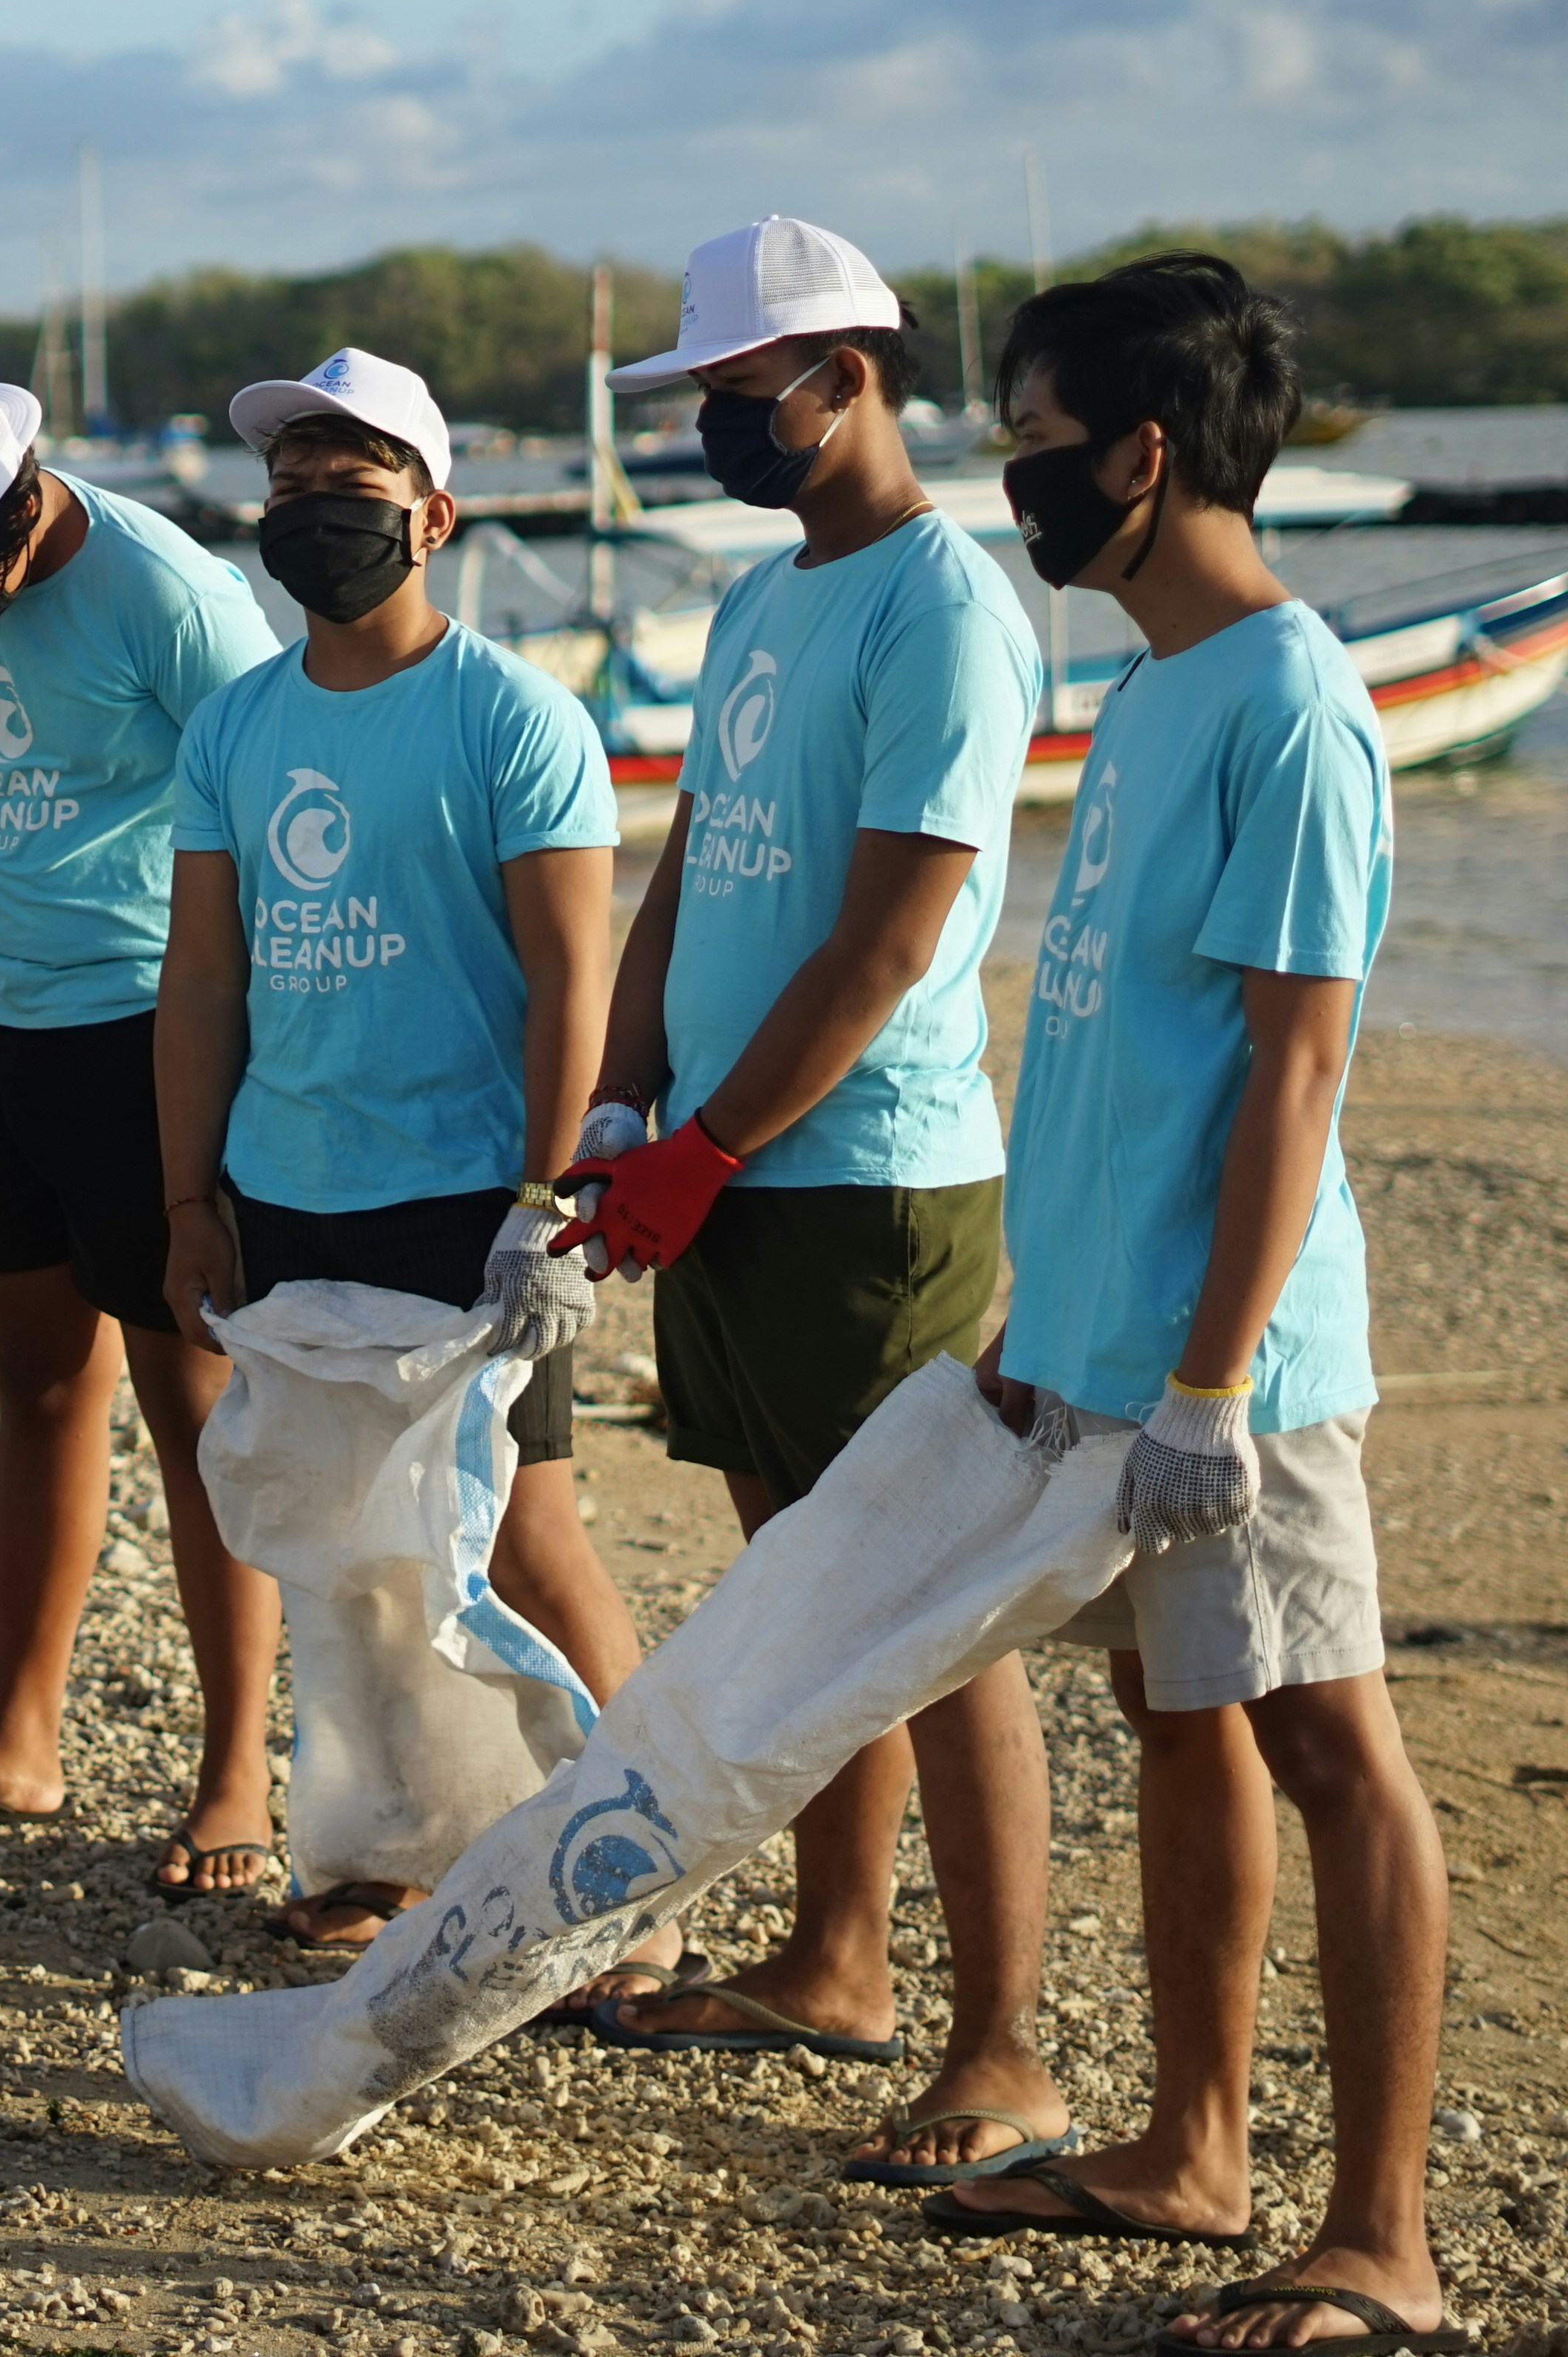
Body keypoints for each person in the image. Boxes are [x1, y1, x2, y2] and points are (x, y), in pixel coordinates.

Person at [922, 253, 1450, 2357]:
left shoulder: (1292, 702)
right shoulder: (1154, 687)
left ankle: (1384, 2240)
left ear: (1147, 453)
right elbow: (1117, 1041)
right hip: (1114, 1331)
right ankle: (1193, 2147)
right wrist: (1045, 1314)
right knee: (1173, 1716)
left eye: (1039, 443)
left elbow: (1298, 1070)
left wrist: (1215, 1378)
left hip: (1242, 1361)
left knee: (1331, 1739)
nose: (1019, 480)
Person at [554, 219, 1072, 2183]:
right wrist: (625, 1100)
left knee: (933, 1610)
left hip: (867, 1178)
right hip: (724, 1159)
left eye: (734, 392)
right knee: (803, 1581)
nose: (711, 426)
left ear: (846, 378)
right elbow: (693, 861)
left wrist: (712, 1144)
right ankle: (835, 1957)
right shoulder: (767, 599)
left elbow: (892, 933)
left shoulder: (944, 606)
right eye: (697, 397)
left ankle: (1004, 2046)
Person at [152, 347, 659, 1973]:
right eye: (290, 479)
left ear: (433, 514)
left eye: (351, 478)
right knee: (353, 1554)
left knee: (522, 1537)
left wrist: (545, 1204)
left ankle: (643, 1872)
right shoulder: (236, 724)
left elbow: (573, 978)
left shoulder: (512, 714)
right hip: (288, 1189)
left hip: (469, 1197)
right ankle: (392, 1849)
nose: (313, 504)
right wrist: (188, 1196)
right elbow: (204, 976)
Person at [0, 363, 288, 1892]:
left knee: (196, 1407)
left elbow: (281, 809)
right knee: (36, 1384)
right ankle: (17, 1735)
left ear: (21, 504)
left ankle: (237, 1775)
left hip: (149, 1027)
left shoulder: (171, 595)